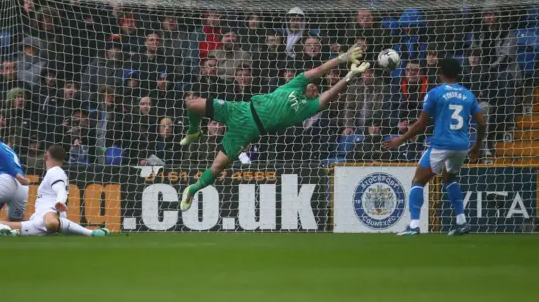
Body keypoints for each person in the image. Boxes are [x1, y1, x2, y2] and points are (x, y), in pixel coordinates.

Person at [179, 45, 369, 211]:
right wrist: (342, 58)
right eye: (312, 84)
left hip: (248, 131)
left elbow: (330, 94)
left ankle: (192, 190)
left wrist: (349, 76)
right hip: (239, 110)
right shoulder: (294, 84)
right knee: (192, 105)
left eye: (316, 89)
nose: (313, 86)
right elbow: (319, 70)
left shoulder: (308, 108)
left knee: (218, 165)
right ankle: (194, 131)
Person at [383, 58, 486, 236]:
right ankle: (461, 222)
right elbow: (482, 124)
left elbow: (421, 124)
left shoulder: (435, 93)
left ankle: (414, 225)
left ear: (440, 72)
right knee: (450, 178)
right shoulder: (469, 95)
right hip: (462, 145)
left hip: (441, 144)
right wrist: (477, 146)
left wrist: (400, 139)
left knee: (418, 181)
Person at [0, 145, 110, 237]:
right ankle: (11, 233)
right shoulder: (55, 172)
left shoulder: (55, 171)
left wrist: (60, 201)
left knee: (50, 223)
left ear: (46, 156)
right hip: (39, 220)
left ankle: (90, 233)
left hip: (49, 213)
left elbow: (60, 189)